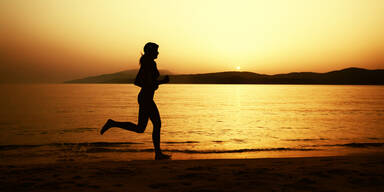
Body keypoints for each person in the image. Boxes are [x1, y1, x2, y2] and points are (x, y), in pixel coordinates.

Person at [100, 42, 171, 160]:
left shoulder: (148, 63)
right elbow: (141, 82)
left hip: (145, 97)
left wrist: (155, 83)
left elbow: (141, 82)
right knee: (156, 124)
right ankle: (158, 154)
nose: (158, 53)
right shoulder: (149, 64)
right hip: (146, 98)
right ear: (150, 51)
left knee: (140, 128)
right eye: (156, 50)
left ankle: (112, 123)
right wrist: (161, 82)